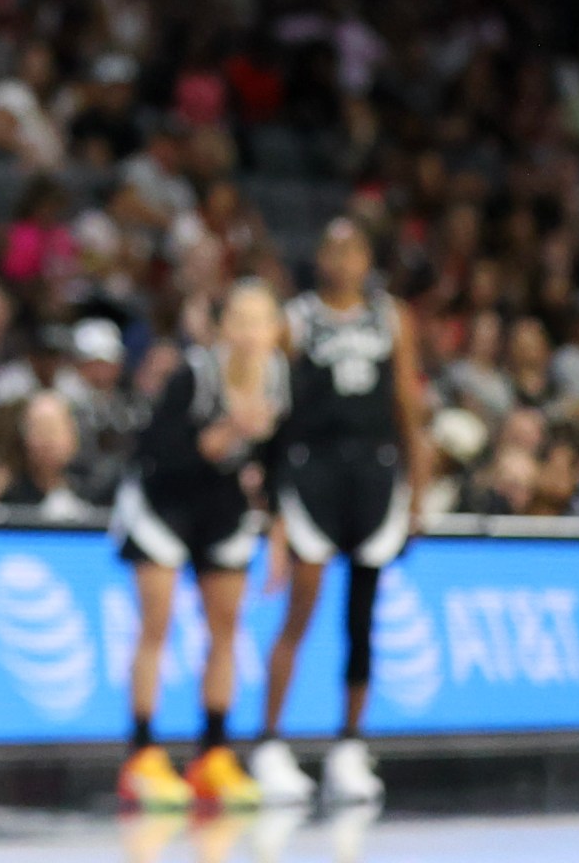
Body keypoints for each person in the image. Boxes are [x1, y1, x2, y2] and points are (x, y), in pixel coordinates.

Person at [251, 219, 429, 808]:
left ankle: (350, 744)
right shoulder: (296, 319)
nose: (343, 260)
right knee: (299, 610)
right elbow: (272, 402)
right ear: (320, 258)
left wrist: (419, 486)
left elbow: (406, 401)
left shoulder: (391, 316)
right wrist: (272, 492)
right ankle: (270, 741)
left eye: (354, 250)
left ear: (368, 259)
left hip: (375, 477)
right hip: (313, 473)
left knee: (363, 617)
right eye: (333, 249)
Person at [113, 282, 289, 811]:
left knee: (226, 627)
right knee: (157, 623)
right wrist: (225, 433)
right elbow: (156, 450)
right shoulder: (194, 374)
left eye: (261, 321)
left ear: (275, 330)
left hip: (223, 508)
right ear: (223, 327)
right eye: (239, 319)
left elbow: (279, 460)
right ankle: (142, 753)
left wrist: (278, 533)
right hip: (164, 501)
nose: (250, 332)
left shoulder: (280, 380)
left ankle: (213, 753)